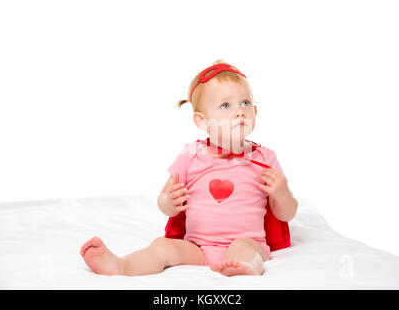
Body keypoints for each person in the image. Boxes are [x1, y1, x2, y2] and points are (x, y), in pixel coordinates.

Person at [80, 59, 298, 277]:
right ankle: (121, 266)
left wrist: (283, 194)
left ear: (255, 111)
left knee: (245, 249)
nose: (240, 112)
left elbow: (286, 213)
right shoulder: (191, 154)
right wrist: (169, 202)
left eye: (245, 103)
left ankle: (246, 267)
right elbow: (165, 200)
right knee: (161, 246)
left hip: (248, 242)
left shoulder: (265, 158)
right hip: (198, 248)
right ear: (202, 122)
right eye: (225, 105)